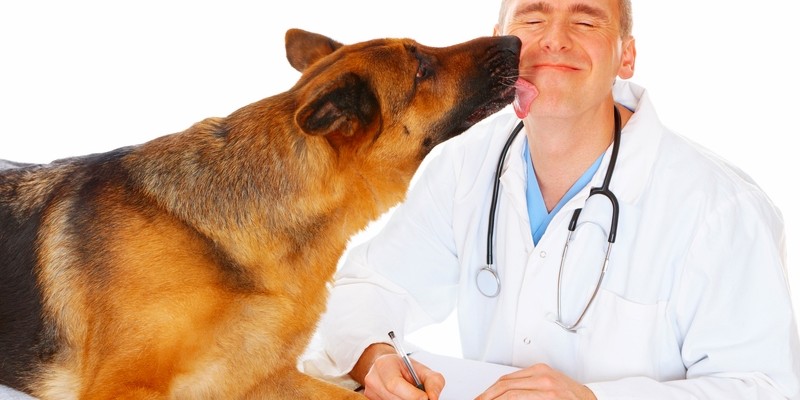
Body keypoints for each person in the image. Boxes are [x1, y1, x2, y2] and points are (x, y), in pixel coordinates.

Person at [307, 0, 800, 398]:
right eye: (533, 15)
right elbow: (361, 289)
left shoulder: (722, 210)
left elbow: (767, 387)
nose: (553, 39)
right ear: (501, 40)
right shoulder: (466, 163)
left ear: (625, 55)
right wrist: (377, 358)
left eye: (585, 18)